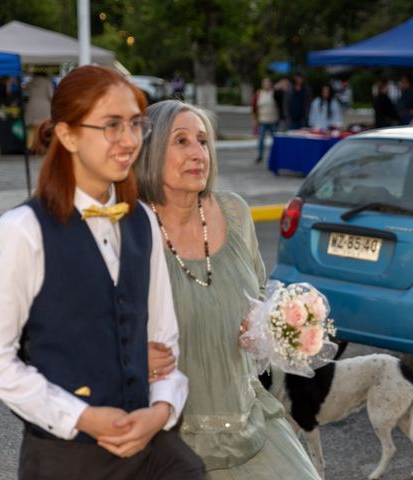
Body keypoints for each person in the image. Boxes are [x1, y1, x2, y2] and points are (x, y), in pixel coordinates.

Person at [0, 65, 204, 479]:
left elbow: (164, 340)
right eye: (111, 126)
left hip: (150, 448)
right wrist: (81, 416)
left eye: (135, 124)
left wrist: (161, 411)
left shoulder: (142, 220)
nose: (129, 140)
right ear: (68, 134)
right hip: (67, 459)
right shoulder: (22, 231)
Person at [134, 99, 321, 479]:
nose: (197, 153)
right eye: (181, 141)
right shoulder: (130, 233)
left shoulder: (234, 213)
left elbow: (257, 301)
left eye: (203, 141)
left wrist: (266, 332)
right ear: (149, 152)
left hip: (247, 424)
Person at [24, 71, 54, 152]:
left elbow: (24, 93)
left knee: (33, 129)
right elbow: (51, 96)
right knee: (44, 128)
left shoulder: (31, 82)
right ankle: (43, 147)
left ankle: (32, 147)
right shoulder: (47, 82)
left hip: (32, 107)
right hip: (44, 107)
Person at [252, 77, 278, 163]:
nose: (266, 85)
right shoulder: (259, 94)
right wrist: (255, 120)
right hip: (262, 120)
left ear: (270, 84)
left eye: (268, 83)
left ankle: (276, 157)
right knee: (261, 140)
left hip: (273, 120)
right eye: (264, 83)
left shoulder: (275, 93)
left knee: (275, 140)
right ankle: (260, 156)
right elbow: (254, 108)